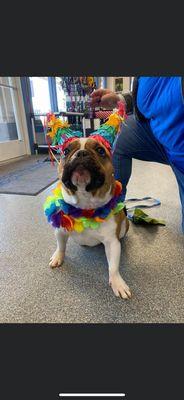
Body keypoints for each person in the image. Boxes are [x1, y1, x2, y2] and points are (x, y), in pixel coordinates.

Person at [91, 77, 184, 233]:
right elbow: (148, 99)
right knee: (124, 135)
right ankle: (115, 211)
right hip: (159, 137)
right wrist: (119, 99)